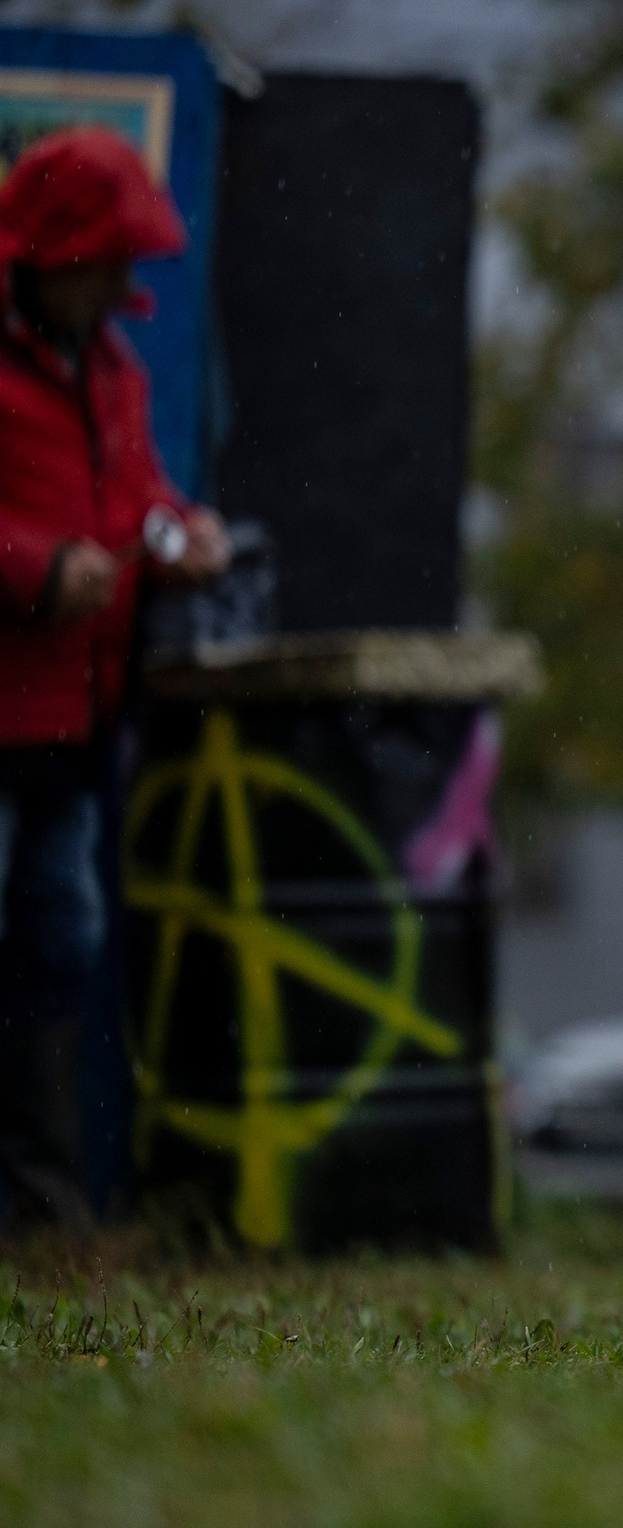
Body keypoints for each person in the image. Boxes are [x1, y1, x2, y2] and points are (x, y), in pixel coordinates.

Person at [0, 127, 230, 1233]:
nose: (127, 279)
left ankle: (44, 1207)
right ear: (52, 252)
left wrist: (179, 532)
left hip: (71, 729)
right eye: (108, 254)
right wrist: (35, 569)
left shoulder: (114, 370)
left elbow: (137, 494)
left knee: (58, 948)